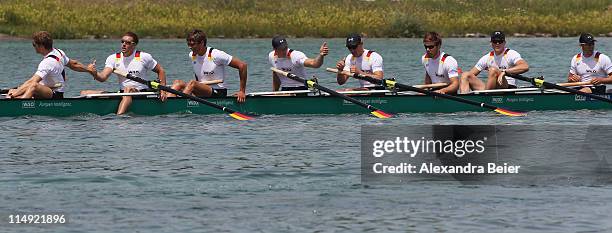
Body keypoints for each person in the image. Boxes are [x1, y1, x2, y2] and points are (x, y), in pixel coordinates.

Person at [82, 32, 167, 115]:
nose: (123, 44)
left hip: (140, 93)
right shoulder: (113, 58)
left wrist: (163, 90)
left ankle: (119, 117)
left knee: (128, 89)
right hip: (122, 93)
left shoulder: (143, 57)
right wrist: (94, 73)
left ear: (134, 45)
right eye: (122, 41)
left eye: (128, 43)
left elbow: (161, 71)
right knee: (85, 93)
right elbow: (103, 77)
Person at [8, 31, 94, 99]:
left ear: (41, 46)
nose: (33, 47)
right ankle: (17, 99)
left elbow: (32, 81)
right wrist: (88, 69)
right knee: (14, 90)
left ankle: (20, 105)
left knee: (33, 85)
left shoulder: (47, 63)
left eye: (34, 45)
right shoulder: (59, 52)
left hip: (55, 94)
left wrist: (14, 94)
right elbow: (74, 64)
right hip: (48, 89)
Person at [170, 29, 248, 102]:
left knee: (192, 83)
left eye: (193, 44)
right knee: (177, 83)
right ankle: (168, 104)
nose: (190, 47)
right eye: (189, 44)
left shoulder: (217, 55)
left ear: (202, 43)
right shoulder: (192, 55)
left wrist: (242, 91)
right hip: (201, 91)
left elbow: (242, 65)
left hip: (218, 92)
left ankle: (180, 104)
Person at [459, 31, 529, 93]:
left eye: (500, 41)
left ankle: (485, 98)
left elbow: (525, 66)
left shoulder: (511, 54)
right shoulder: (487, 57)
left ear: (504, 43)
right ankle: (463, 100)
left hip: (507, 88)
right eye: (495, 41)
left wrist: (505, 72)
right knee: (465, 75)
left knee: (493, 70)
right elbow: (471, 74)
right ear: (491, 43)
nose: (497, 44)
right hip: (491, 88)